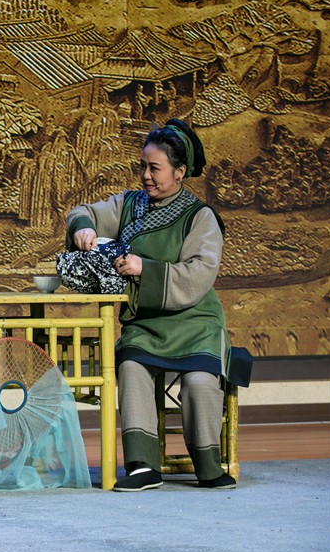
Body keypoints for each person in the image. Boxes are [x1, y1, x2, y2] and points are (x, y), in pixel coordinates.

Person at [66, 118, 238, 492]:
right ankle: (143, 465)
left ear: (179, 172)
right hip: (145, 323)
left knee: (199, 382)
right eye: (142, 166)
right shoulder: (130, 204)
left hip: (195, 323)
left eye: (154, 168)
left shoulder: (200, 217)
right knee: (131, 366)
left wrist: (145, 268)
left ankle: (208, 465)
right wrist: (84, 227)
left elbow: (199, 274)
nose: (145, 175)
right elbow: (84, 211)